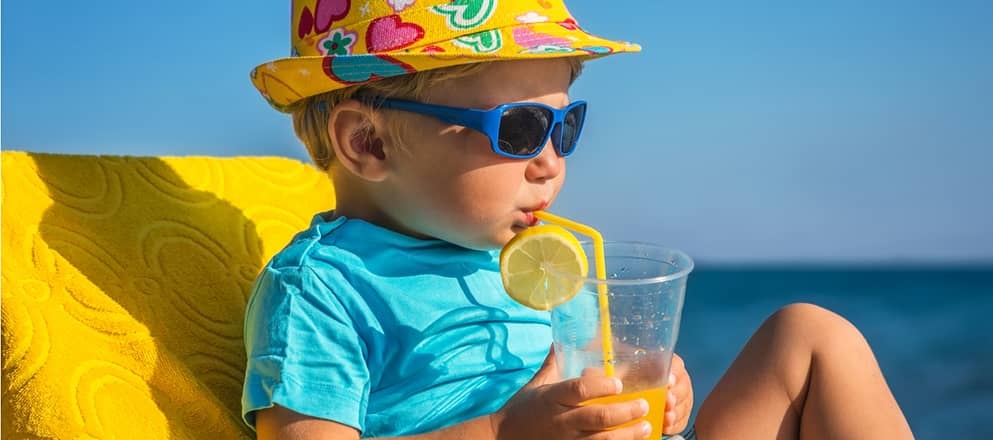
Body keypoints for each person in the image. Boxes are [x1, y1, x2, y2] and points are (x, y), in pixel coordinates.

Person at [242, 1, 914, 438]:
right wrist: (503, 433)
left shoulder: (549, 259)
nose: (551, 163)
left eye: (564, 127)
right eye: (519, 129)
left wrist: (653, 396)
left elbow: (590, 378)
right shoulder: (324, 287)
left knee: (810, 335)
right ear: (368, 143)